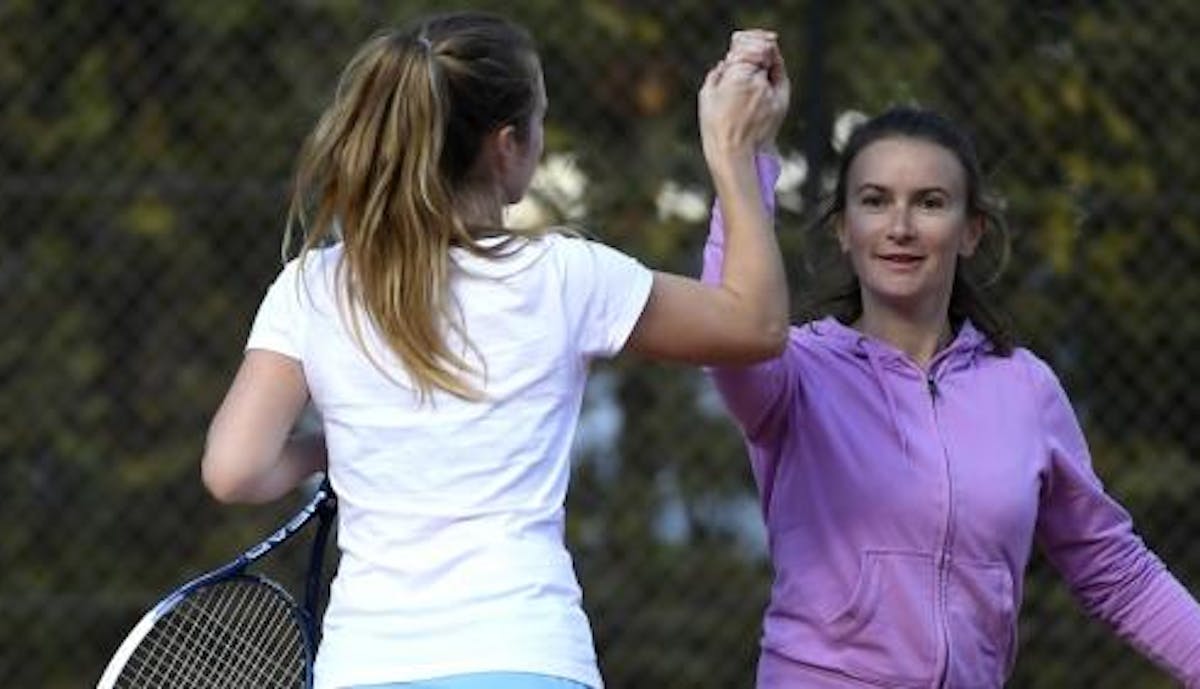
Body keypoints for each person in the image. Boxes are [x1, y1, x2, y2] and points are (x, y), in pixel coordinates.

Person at [201, 11, 789, 689]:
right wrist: (734, 152)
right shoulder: (563, 275)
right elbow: (756, 326)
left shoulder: (313, 284)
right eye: (539, 120)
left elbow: (234, 469)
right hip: (527, 655)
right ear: (507, 145)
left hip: (364, 668)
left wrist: (342, 443)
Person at [707, 34, 1200, 688]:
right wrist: (747, 153)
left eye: (930, 202)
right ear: (843, 227)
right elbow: (730, 324)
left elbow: (1117, 572)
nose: (901, 226)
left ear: (971, 230)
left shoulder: (1025, 388)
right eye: (875, 200)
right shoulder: (795, 371)